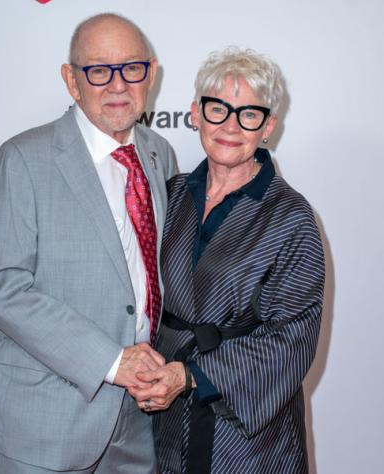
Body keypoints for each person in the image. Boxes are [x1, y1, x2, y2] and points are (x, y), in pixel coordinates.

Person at [0, 13, 177, 474]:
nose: (117, 85)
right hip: (49, 418)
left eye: (131, 68)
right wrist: (111, 361)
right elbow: (4, 289)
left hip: (141, 417)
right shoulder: (24, 157)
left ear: (150, 73)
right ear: (72, 80)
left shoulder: (158, 153)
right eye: (98, 70)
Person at [129, 48, 325, 473]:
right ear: (196, 113)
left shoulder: (291, 216)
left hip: (249, 434)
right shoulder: (170, 193)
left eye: (249, 114)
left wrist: (191, 376)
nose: (231, 127)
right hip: (163, 411)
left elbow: (292, 337)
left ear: (268, 126)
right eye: (218, 109)